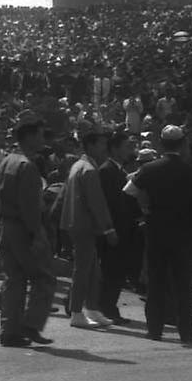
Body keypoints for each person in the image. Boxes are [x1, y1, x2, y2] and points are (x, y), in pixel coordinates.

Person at [126, 125, 192, 345]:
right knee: (183, 286)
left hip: (156, 232)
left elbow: (129, 191)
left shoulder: (150, 169)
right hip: (183, 235)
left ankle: (154, 329)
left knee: (156, 283)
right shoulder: (190, 172)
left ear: (161, 143)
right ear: (182, 143)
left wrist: (145, 210)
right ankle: (186, 332)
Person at [0, 110, 58, 348]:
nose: (43, 139)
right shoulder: (27, 166)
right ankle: (31, 325)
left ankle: (10, 330)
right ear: (30, 136)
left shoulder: (6, 161)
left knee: (14, 279)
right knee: (44, 278)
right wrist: (37, 234)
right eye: (40, 135)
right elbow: (30, 206)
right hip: (24, 228)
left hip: (6, 225)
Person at [60, 129, 115, 329]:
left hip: (76, 223)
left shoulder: (78, 165)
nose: (105, 148)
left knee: (92, 270)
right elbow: (97, 203)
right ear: (91, 146)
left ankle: (91, 308)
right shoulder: (89, 170)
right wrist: (108, 229)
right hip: (85, 225)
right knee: (83, 270)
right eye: (101, 144)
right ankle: (76, 311)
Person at [97, 130, 142, 325]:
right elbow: (108, 203)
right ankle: (107, 308)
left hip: (123, 228)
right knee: (111, 271)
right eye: (126, 147)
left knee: (116, 271)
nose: (129, 151)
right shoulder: (107, 170)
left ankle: (107, 306)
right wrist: (109, 230)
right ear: (114, 149)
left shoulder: (118, 170)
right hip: (114, 229)